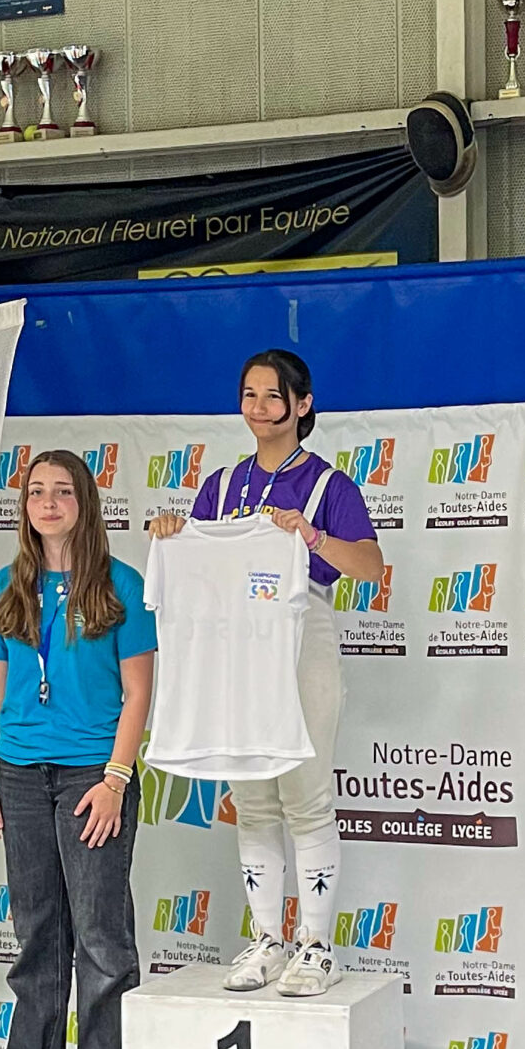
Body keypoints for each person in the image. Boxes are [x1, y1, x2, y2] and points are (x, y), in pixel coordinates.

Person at [146, 349, 383, 996]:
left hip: (302, 639)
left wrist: (311, 536)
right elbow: (197, 569)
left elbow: (370, 567)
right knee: (251, 800)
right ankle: (267, 940)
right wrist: (172, 532)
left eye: (272, 395)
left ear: (302, 404)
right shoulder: (221, 486)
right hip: (236, 649)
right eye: (248, 394)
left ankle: (317, 946)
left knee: (306, 798)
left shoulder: (328, 485)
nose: (257, 407)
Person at [0, 450, 155, 1049]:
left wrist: (115, 780)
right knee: (36, 924)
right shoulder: (6, 586)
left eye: (63, 492)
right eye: (36, 492)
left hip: (91, 775)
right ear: (24, 507)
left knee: (100, 928)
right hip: (20, 773)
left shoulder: (121, 584)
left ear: (85, 503)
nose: (48, 503)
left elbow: (138, 692)